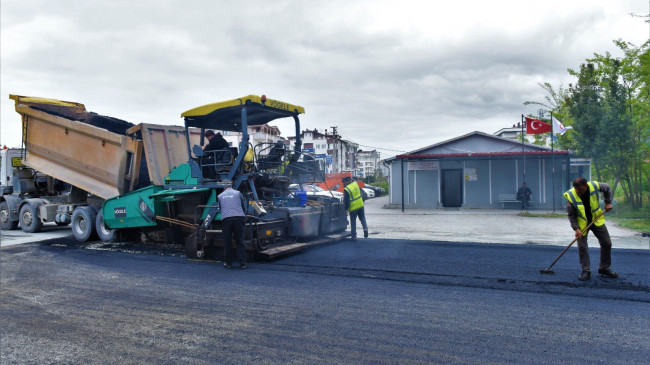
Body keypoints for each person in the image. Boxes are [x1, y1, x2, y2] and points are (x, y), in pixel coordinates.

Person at [564, 177, 617, 281]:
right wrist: (576, 229)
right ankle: (585, 271)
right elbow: (571, 215)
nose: (578, 192)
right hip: (582, 224)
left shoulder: (594, 186)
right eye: (576, 189)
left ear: (586, 186)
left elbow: (607, 188)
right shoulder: (570, 196)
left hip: (596, 219)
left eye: (580, 189)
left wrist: (607, 202)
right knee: (582, 247)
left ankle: (604, 268)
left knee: (607, 243)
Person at [217, 185, 247, 269]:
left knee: (227, 242)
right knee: (239, 241)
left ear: (224, 189)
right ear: (232, 188)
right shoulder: (238, 193)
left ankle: (228, 263)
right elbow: (243, 205)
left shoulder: (220, 196)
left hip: (226, 219)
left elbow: (221, 209)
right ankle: (242, 263)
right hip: (239, 218)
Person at [342, 176, 368, 241]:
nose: (344, 184)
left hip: (353, 207)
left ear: (347, 182)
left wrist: (346, 210)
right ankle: (365, 228)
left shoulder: (347, 189)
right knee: (362, 218)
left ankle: (354, 236)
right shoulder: (355, 183)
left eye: (344, 182)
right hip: (360, 204)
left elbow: (347, 201)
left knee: (353, 222)